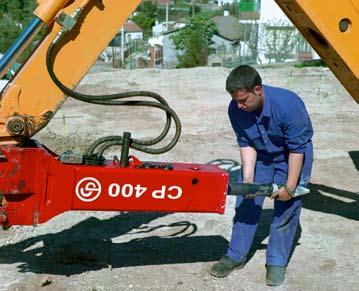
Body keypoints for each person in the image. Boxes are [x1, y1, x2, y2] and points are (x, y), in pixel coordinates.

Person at [209, 65, 313, 286]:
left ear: (258, 89)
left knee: (287, 207)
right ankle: (235, 255)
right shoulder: (236, 109)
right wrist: (248, 181)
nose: (239, 105)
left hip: (290, 155)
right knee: (246, 201)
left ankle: (276, 262)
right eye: (236, 100)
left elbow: (297, 150)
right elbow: (246, 143)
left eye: (244, 100)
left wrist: (290, 187)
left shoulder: (288, 105)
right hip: (261, 154)